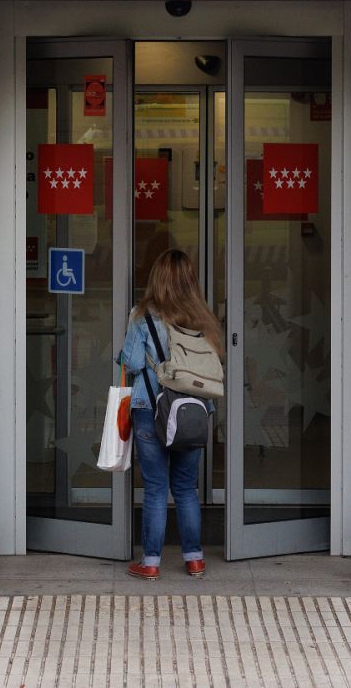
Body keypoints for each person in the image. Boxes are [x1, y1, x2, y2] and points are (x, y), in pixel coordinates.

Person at [117, 248, 224, 580]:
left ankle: (150, 563)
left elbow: (132, 363)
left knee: (155, 487)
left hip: (151, 408)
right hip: (192, 410)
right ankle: (194, 559)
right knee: (186, 487)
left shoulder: (143, 315)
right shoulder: (202, 318)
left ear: (157, 279)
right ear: (190, 281)